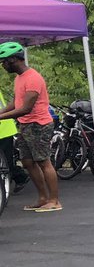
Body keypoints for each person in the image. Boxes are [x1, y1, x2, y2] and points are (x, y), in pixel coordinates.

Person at [0, 41, 60, 212]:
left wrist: (1, 117)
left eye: (3, 61)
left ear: (13, 60)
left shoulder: (33, 78)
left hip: (39, 124)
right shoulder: (20, 78)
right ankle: (42, 198)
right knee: (27, 162)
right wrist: (2, 112)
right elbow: (16, 102)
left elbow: (25, 108)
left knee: (43, 162)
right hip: (26, 125)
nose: (3, 66)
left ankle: (54, 200)